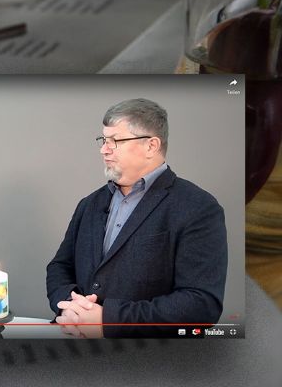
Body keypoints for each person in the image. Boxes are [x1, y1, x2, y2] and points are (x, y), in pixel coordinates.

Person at [46, 98, 227, 338]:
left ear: (151, 146)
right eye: (103, 140)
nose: (104, 149)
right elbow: (60, 266)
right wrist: (71, 306)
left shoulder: (199, 207)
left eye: (115, 141)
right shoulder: (90, 204)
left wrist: (107, 320)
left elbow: (201, 304)